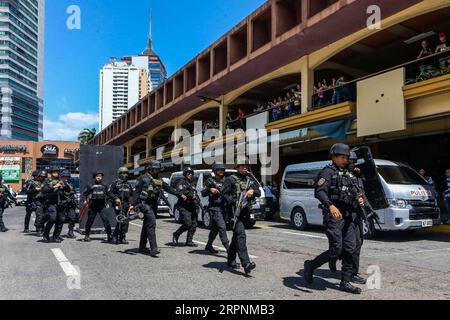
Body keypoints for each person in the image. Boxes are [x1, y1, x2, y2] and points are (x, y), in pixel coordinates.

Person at [303, 143, 363, 294]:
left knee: (351, 248)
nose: (345, 160)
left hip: (349, 215)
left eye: (346, 157)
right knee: (336, 249)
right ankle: (311, 265)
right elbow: (320, 192)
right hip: (334, 215)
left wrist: (360, 198)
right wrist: (330, 205)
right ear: (334, 157)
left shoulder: (349, 174)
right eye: (342, 157)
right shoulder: (328, 172)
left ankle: (345, 281)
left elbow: (356, 191)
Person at [135, 161, 178, 257]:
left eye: (158, 169)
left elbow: (167, 188)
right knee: (151, 224)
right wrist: (134, 205)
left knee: (146, 225)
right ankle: (154, 248)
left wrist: (179, 194)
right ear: (150, 169)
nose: (158, 170)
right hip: (144, 204)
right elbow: (136, 193)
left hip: (153, 205)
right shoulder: (142, 178)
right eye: (156, 169)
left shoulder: (158, 179)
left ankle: (142, 247)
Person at [225, 164, 259, 274]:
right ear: (237, 168)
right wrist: (235, 201)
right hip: (234, 212)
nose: (245, 168)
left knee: (236, 237)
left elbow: (258, 192)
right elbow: (224, 195)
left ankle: (230, 259)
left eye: (246, 167)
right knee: (241, 235)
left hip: (245, 213)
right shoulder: (230, 179)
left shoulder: (250, 179)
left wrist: (252, 192)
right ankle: (246, 263)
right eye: (242, 166)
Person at [202, 163, 230, 254]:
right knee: (222, 227)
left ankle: (209, 245)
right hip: (215, 208)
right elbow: (203, 193)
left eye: (222, 169)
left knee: (215, 228)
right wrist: (210, 190)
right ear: (214, 171)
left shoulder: (226, 181)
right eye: (219, 170)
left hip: (224, 208)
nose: (221, 171)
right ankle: (229, 250)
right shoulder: (210, 181)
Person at [82, 171, 113, 243]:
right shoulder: (90, 185)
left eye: (100, 176)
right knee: (90, 221)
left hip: (102, 206)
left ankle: (109, 236)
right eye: (97, 176)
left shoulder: (105, 185)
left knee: (106, 221)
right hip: (93, 205)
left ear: (102, 177)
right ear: (95, 177)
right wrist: (85, 200)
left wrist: (114, 199)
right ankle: (87, 236)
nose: (99, 177)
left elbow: (109, 194)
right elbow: (84, 194)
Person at [173, 167, 198, 247]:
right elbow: (179, 192)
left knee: (194, 224)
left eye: (191, 173)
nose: (190, 175)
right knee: (187, 223)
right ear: (185, 174)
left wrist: (194, 194)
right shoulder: (181, 182)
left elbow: (194, 191)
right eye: (188, 173)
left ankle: (189, 241)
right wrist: (184, 194)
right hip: (183, 205)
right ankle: (176, 234)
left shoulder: (192, 183)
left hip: (192, 205)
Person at [42, 167, 68, 243]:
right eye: (54, 172)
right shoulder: (47, 181)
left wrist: (65, 186)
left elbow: (69, 191)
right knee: (52, 218)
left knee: (60, 220)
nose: (56, 173)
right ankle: (46, 234)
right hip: (51, 203)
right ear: (51, 173)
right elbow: (44, 190)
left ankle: (56, 236)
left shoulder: (62, 180)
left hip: (61, 203)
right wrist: (55, 186)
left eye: (57, 172)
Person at [109, 167, 134, 245]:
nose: (125, 175)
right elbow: (109, 193)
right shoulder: (114, 183)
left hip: (126, 204)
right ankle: (114, 237)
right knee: (120, 220)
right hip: (118, 204)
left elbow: (131, 195)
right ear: (119, 174)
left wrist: (131, 204)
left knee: (125, 221)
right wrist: (116, 198)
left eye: (126, 173)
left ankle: (122, 237)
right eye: (123, 173)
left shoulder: (128, 184)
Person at [59, 170, 78, 239]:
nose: (66, 178)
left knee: (72, 218)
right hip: (62, 203)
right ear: (62, 177)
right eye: (65, 177)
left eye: (67, 177)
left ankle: (70, 232)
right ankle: (57, 233)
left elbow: (74, 192)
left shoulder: (71, 184)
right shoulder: (59, 184)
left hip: (70, 203)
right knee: (61, 219)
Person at [33, 171, 48, 236]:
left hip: (46, 201)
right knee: (39, 216)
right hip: (38, 201)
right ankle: (39, 229)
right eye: (41, 176)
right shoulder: (35, 183)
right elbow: (28, 191)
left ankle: (42, 227)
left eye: (44, 177)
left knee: (46, 216)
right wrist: (36, 190)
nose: (42, 178)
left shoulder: (47, 183)